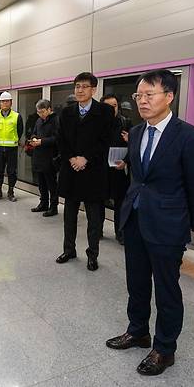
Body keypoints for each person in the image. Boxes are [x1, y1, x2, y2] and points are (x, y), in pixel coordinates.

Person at [106, 69, 194, 376]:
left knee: (166, 289)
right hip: (136, 219)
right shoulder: (137, 132)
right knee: (136, 282)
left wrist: (187, 224)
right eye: (139, 95)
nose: (142, 101)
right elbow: (138, 176)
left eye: (149, 95)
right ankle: (138, 331)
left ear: (169, 96)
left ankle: (165, 348)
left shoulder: (189, 137)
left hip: (168, 225)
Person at [55, 72, 113, 271]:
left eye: (84, 86)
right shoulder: (66, 112)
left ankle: (92, 254)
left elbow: (105, 141)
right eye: (77, 86)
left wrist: (85, 158)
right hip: (71, 170)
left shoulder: (104, 112)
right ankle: (69, 249)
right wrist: (72, 158)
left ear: (93, 89)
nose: (80, 90)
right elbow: (61, 140)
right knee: (69, 215)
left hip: (93, 172)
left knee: (93, 218)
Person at [100, 94, 131, 244]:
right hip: (100, 169)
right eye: (107, 106)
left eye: (114, 106)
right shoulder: (95, 124)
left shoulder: (126, 122)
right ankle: (97, 230)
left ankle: (120, 233)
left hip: (118, 168)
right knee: (98, 201)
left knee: (120, 203)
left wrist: (126, 161)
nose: (111, 109)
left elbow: (134, 147)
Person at [0, 91, 24, 202]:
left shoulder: (17, 116)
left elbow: (20, 131)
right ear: (0, 103)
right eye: (3, 101)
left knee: (12, 171)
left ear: (11, 102)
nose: (5, 103)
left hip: (12, 149)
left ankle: (11, 192)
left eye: (7, 101)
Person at [29, 99, 59, 217]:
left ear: (49, 109)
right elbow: (34, 132)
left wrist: (42, 141)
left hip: (50, 157)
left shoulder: (56, 121)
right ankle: (43, 203)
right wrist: (34, 138)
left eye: (42, 112)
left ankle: (53, 206)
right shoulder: (38, 121)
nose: (40, 114)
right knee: (41, 183)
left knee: (51, 183)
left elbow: (57, 138)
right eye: (38, 112)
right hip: (38, 156)